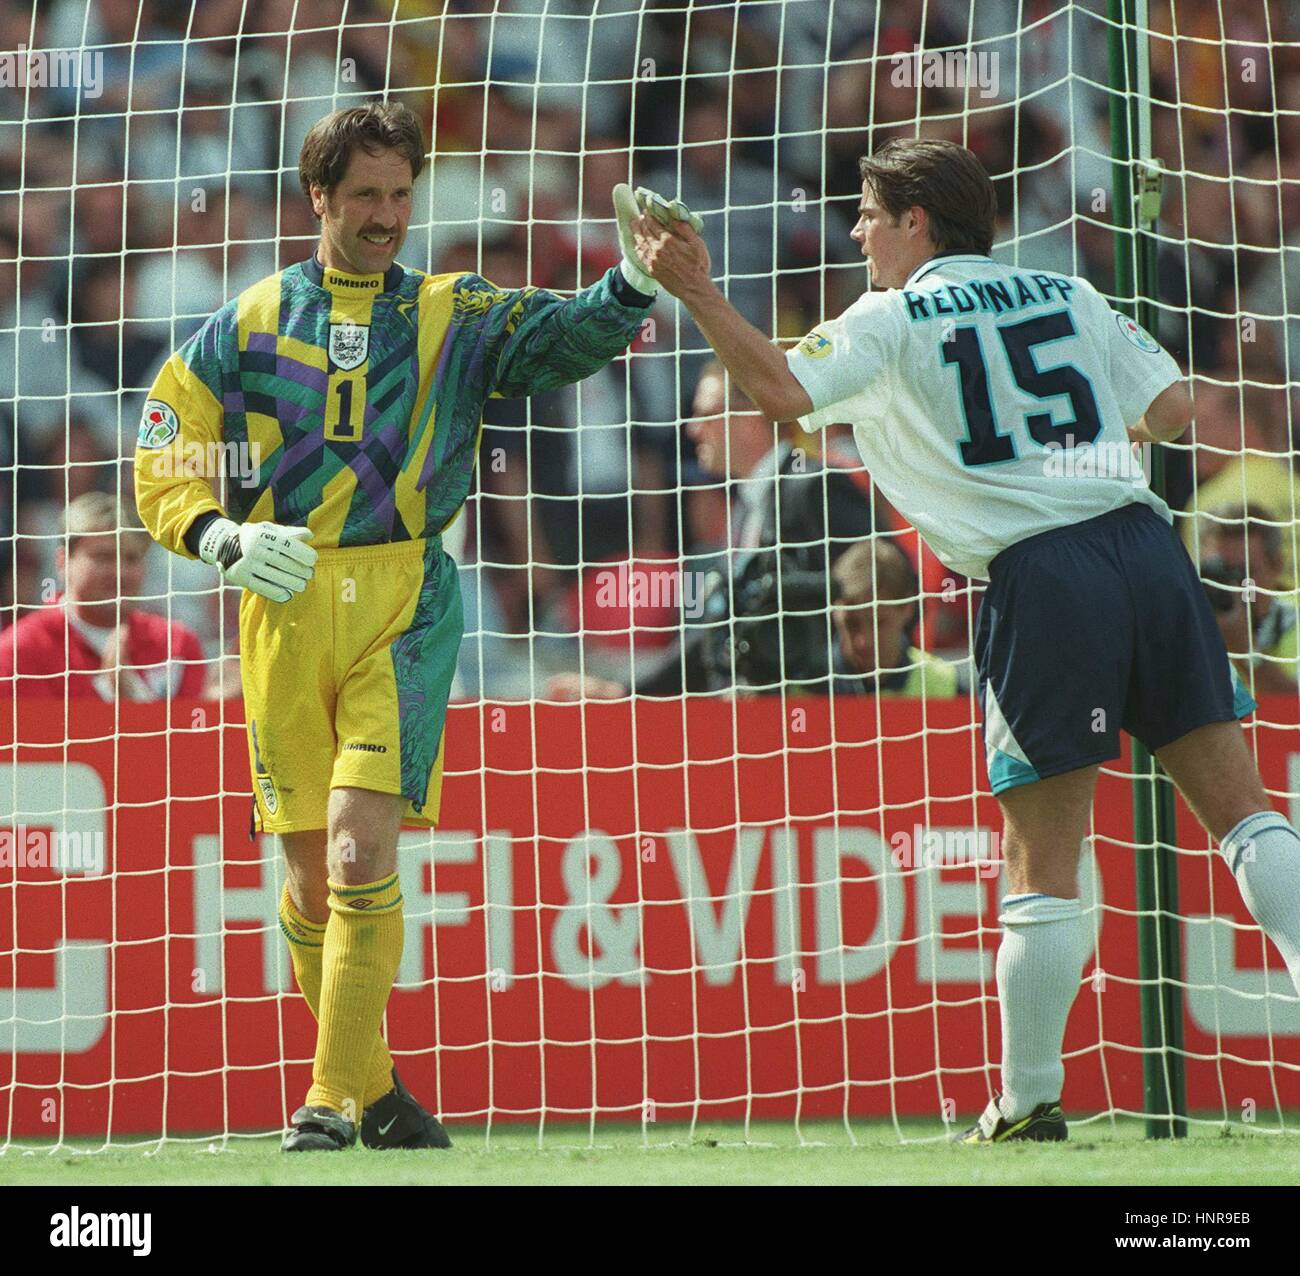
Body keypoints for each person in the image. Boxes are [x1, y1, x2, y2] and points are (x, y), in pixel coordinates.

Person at [630, 136, 1300, 1143]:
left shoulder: (888, 317)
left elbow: (776, 393)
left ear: (914, 222)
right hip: (1144, 547)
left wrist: (695, 290)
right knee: (1243, 814)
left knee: (1042, 857)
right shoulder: (1062, 290)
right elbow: (1170, 405)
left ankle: (1027, 1098)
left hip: (1041, 577)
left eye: (865, 212)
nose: (854, 230)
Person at [134, 101, 683, 1152]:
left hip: (407, 602)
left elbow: (557, 337)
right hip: (282, 604)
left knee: (354, 850)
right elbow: (164, 445)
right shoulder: (246, 321)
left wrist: (633, 282)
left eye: (399, 195)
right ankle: (378, 1091)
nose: (387, 217)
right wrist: (219, 538)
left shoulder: (454, 311)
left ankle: (329, 1102)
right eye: (365, 197)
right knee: (304, 879)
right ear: (319, 200)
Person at [547, 358, 876, 698]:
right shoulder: (747, 506)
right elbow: (715, 632)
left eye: (706, 413)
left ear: (750, 417)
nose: (693, 429)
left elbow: (883, 580)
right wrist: (625, 691)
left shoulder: (812, 487)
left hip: (825, 717)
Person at [0, 493, 205, 702]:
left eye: (132, 559)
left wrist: (133, 695)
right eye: (104, 557)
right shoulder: (19, 650)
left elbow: (191, 734)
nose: (120, 572)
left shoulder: (178, 645)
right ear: (63, 562)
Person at [830, 538, 960, 698]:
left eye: (879, 623)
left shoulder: (945, 683)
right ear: (833, 611)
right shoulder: (804, 683)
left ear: (908, 609)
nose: (864, 641)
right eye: (852, 624)